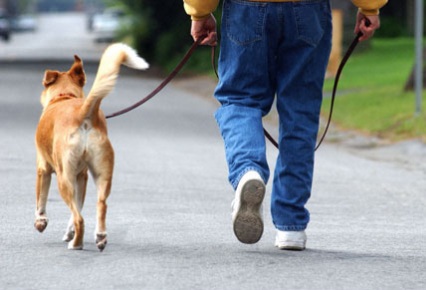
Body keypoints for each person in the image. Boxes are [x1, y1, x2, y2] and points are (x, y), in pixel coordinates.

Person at [183, 0, 387, 250]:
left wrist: (200, 11)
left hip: (247, 10)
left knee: (240, 99)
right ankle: (291, 226)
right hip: (308, 10)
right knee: (300, 110)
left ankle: (248, 171)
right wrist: (369, 6)